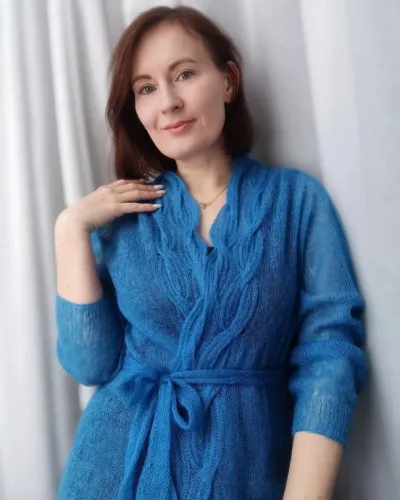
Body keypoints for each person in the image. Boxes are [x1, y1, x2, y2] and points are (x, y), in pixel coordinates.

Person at [54, 5, 368, 500]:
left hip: (246, 471)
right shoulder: (122, 217)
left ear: (227, 81)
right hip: (116, 468)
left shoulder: (295, 201)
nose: (168, 102)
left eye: (184, 74)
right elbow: (90, 365)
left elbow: (329, 357)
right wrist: (69, 229)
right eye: (146, 88)